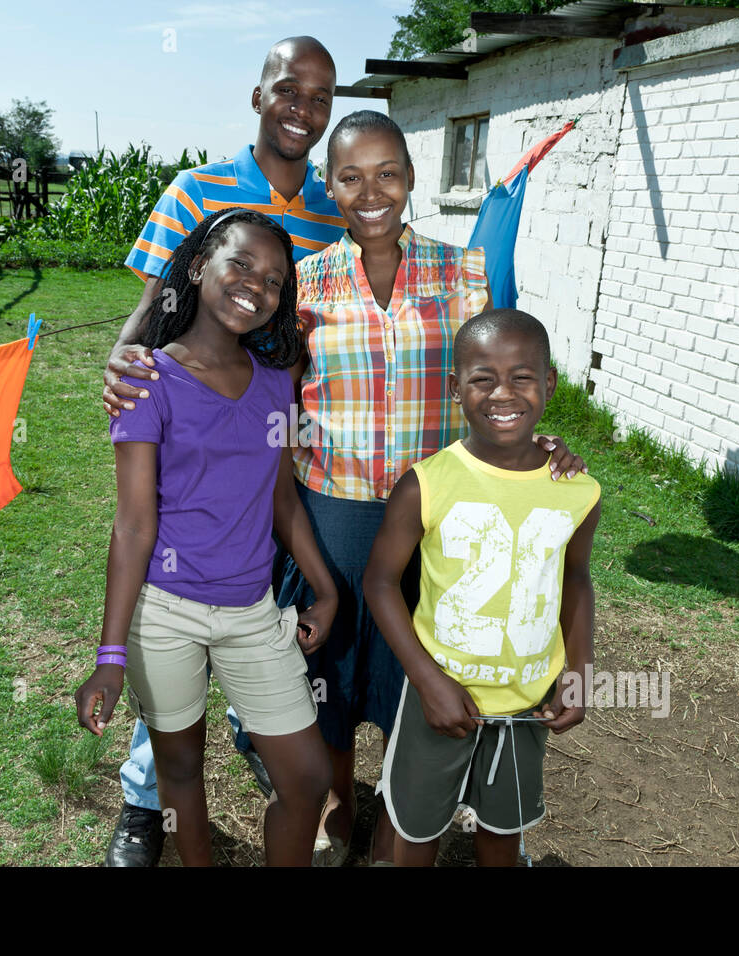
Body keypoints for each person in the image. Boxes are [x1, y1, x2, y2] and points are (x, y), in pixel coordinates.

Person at [271, 112, 587, 865]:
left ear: (411, 178)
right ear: (331, 185)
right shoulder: (305, 281)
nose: (370, 191)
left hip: (440, 514)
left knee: (423, 671)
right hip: (336, 510)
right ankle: (344, 806)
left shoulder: (464, 272)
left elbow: (496, 375)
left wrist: (537, 443)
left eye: (387, 172)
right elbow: (282, 403)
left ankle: (406, 806)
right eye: (350, 176)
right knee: (335, 675)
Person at [98, 35, 347, 867]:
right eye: (289, 90)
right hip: (194, 435)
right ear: (259, 95)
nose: (302, 109)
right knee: (172, 688)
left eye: (320, 96)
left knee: (253, 609)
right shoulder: (194, 191)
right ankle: (146, 803)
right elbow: (157, 301)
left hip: (283, 443)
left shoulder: (333, 212)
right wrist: (126, 364)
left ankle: (262, 728)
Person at [362, 308, 601, 866]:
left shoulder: (577, 490)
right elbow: (379, 582)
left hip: (527, 701)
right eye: (482, 378)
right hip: (438, 695)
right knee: (417, 831)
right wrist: (427, 681)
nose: (503, 393)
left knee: (504, 828)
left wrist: (581, 671)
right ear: (455, 388)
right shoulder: (425, 484)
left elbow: (576, 577)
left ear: (549, 384)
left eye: (522, 376)